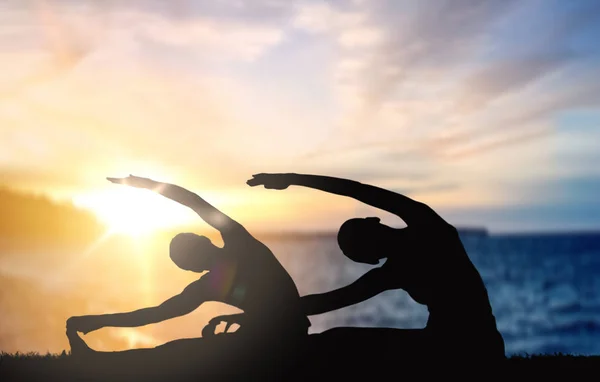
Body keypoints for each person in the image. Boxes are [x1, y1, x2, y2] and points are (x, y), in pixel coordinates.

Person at [247, 172, 506, 361]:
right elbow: (329, 301)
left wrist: (292, 178)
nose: (368, 245)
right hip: (463, 345)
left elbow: (355, 189)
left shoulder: (424, 223)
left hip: (468, 348)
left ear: (373, 220)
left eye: (360, 241)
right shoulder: (408, 248)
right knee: (336, 339)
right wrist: (258, 315)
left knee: (336, 340)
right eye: (361, 247)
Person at [66, 175, 310, 367]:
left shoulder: (234, 246)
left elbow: (193, 201)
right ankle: (96, 360)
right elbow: (156, 313)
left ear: (193, 267)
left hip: (282, 334)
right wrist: (98, 321)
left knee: (181, 352)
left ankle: (97, 361)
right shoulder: (233, 247)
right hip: (279, 331)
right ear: (203, 241)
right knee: (179, 350)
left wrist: (147, 184)